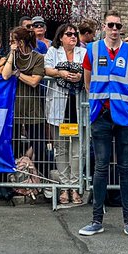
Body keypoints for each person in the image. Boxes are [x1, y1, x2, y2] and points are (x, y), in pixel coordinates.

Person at [79, 11, 128, 239]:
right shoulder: (93, 50)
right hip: (102, 115)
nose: (114, 29)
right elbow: (87, 82)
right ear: (104, 26)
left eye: (118, 25)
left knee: (125, 169)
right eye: (110, 25)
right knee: (101, 168)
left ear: (121, 28)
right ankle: (97, 220)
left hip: (125, 116)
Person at [44, 22, 86, 205]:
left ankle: (76, 187)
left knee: (77, 150)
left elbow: (89, 70)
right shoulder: (53, 52)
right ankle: (64, 186)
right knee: (61, 149)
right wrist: (60, 73)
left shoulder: (82, 53)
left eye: (74, 34)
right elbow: (45, 69)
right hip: (59, 105)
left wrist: (81, 75)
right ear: (60, 37)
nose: (73, 37)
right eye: (68, 34)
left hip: (77, 105)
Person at [1, 25, 47, 180]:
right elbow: (6, 75)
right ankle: (12, 176)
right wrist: (12, 54)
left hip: (33, 108)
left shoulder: (38, 58)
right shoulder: (13, 56)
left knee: (39, 145)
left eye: (12, 41)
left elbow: (34, 81)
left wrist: (18, 73)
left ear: (20, 42)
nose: (10, 44)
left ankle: (40, 176)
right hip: (14, 107)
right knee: (11, 144)